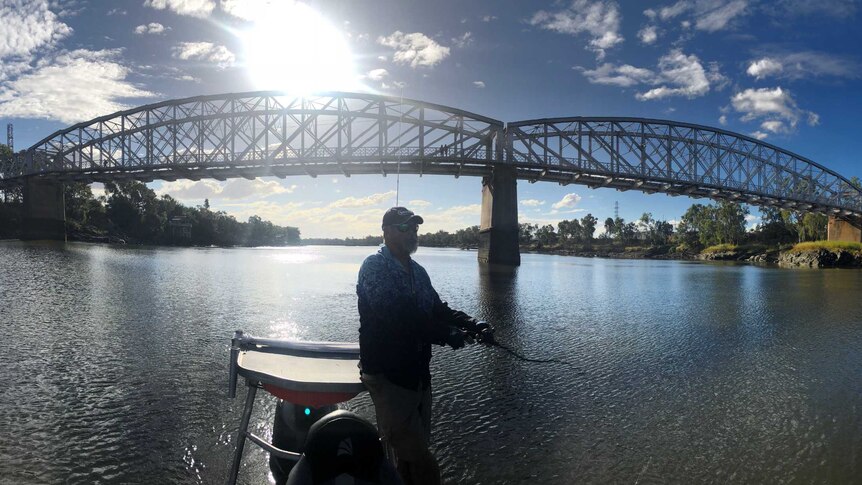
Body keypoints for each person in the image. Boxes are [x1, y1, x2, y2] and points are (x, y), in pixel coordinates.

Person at [357, 207, 494, 485]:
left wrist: (472, 324)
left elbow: (436, 310)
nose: (413, 233)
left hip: (418, 376)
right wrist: (446, 335)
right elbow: (397, 317)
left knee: (410, 457)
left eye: (415, 228)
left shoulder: (418, 271)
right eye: (405, 228)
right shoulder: (374, 267)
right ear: (386, 231)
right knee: (421, 458)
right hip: (388, 377)